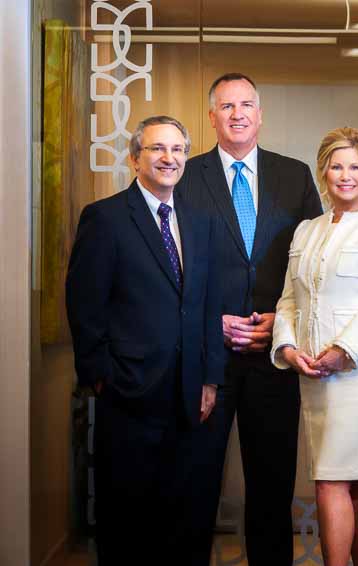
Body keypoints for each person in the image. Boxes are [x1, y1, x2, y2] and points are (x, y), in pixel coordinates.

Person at [177, 73, 323, 564]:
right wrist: (209, 320)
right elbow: (171, 263)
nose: (237, 114)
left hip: (272, 357)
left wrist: (280, 324)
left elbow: (312, 267)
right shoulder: (186, 177)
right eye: (226, 106)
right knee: (196, 486)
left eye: (246, 105)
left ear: (260, 114)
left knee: (271, 487)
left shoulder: (295, 175)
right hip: (206, 356)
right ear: (212, 117)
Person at [65, 115, 224, 566]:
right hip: (128, 393)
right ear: (135, 159)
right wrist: (100, 377)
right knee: (127, 517)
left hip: (190, 397)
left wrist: (210, 379)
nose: (168, 158)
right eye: (157, 149)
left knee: (187, 517)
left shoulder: (199, 223)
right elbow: (84, 305)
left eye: (177, 150)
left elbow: (209, 306)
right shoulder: (106, 218)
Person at [270, 127, 358, 566]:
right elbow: (289, 298)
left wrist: (343, 351)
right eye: (336, 166)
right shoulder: (305, 232)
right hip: (312, 370)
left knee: (331, 481)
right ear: (323, 172)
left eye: (355, 167)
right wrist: (289, 348)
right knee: (355, 483)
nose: (345, 175)